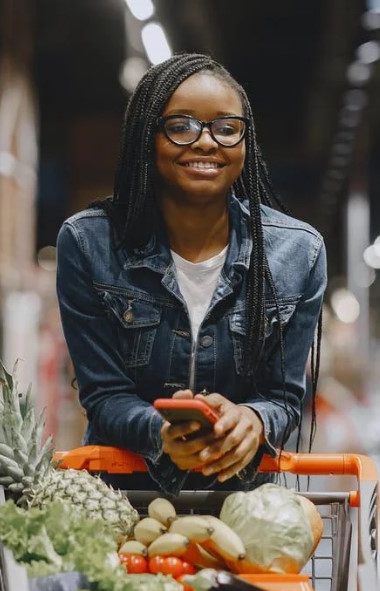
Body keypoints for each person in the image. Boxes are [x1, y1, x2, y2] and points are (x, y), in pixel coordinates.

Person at [55, 52, 326, 495]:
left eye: (226, 127)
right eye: (181, 126)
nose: (206, 142)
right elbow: (104, 396)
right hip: (123, 503)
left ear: (245, 140)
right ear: (148, 137)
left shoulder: (298, 252)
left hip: (246, 508)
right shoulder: (90, 243)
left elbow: (284, 398)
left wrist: (254, 420)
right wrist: (161, 434)